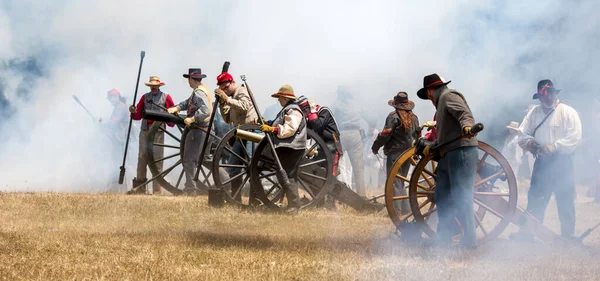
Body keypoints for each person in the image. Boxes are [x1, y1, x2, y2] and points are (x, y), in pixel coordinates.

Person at [510, 79, 582, 242]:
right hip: (542, 163)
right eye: (545, 95)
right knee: (535, 198)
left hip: (563, 163)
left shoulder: (567, 112)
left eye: (551, 94)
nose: (548, 97)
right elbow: (522, 135)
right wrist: (532, 145)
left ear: (555, 94)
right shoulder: (534, 113)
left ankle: (568, 236)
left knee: (565, 199)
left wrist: (555, 146)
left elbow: (574, 137)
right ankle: (528, 233)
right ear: (540, 97)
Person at [415, 73, 479, 248]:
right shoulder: (441, 102)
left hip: (462, 151)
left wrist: (467, 126)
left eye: (427, 94)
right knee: (441, 195)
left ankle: (469, 240)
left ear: (429, 91)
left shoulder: (448, 96)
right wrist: (433, 146)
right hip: (447, 152)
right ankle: (443, 237)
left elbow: (464, 114)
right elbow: (446, 135)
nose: (428, 98)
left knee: (462, 196)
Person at [259, 85, 307, 213]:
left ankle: (295, 206)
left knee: (289, 176)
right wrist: (269, 124)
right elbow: (281, 123)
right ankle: (292, 205)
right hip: (287, 147)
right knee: (283, 175)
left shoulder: (294, 110)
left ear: (285, 97)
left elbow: (290, 129)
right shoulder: (287, 109)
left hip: (293, 147)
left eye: (279, 97)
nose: (278, 100)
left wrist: (273, 129)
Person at [371, 92, 420, 215]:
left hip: (395, 153)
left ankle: (396, 210)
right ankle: (406, 209)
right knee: (401, 180)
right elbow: (417, 135)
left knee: (394, 181)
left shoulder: (393, 116)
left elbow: (385, 134)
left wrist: (375, 146)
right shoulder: (414, 118)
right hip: (408, 153)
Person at [167, 68, 213, 196]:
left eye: (188, 78)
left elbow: (206, 111)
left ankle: (190, 190)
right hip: (206, 129)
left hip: (199, 129)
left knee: (189, 159)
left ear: (191, 79)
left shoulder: (199, 93)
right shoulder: (201, 90)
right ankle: (225, 181)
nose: (188, 81)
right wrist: (177, 107)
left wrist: (193, 118)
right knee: (206, 160)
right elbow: (189, 102)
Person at [214, 71, 258, 200]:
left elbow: (244, 106)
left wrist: (227, 99)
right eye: (223, 89)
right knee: (233, 167)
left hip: (252, 133)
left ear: (233, 82)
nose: (225, 90)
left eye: (226, 87)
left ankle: (255, 199)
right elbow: (227, 119)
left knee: (252, 166)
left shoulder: (241, 91)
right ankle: (235, 198)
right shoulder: (231, 96)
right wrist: (223, 104)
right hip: (240, 133)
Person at [128, 76, 175, 195]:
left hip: (158, 132)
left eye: (155, 85)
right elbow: (137, 115)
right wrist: (132, 112)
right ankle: (140, 188)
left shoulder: (166, 97)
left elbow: (172, 114)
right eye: (151, 86)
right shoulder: (145, 97)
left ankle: (157, 190)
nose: (153, 87)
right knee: (142, 158)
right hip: (145, 131)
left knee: (157, 159)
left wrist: (169, 122)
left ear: (159, 86)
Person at [296, 95, 343, 210]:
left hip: (332, 148)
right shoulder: (311, 117)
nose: (305, 114)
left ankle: (330, 204)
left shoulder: (324, 111)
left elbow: (317, 127)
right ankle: (319, 200)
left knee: (331, 175)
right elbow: (307, 134)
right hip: (322, 150)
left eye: (305, 110)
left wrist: (312, 112)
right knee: (313, 172)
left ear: (309, 107)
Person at [331, 86, 367, 198]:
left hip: (342, 134)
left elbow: (332, 120)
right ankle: (362, 196)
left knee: (335, 166)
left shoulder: (336, 104)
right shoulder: (356, 104)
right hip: (355, 134)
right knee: (358, 169)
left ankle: (334, 196)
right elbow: (370, 118)